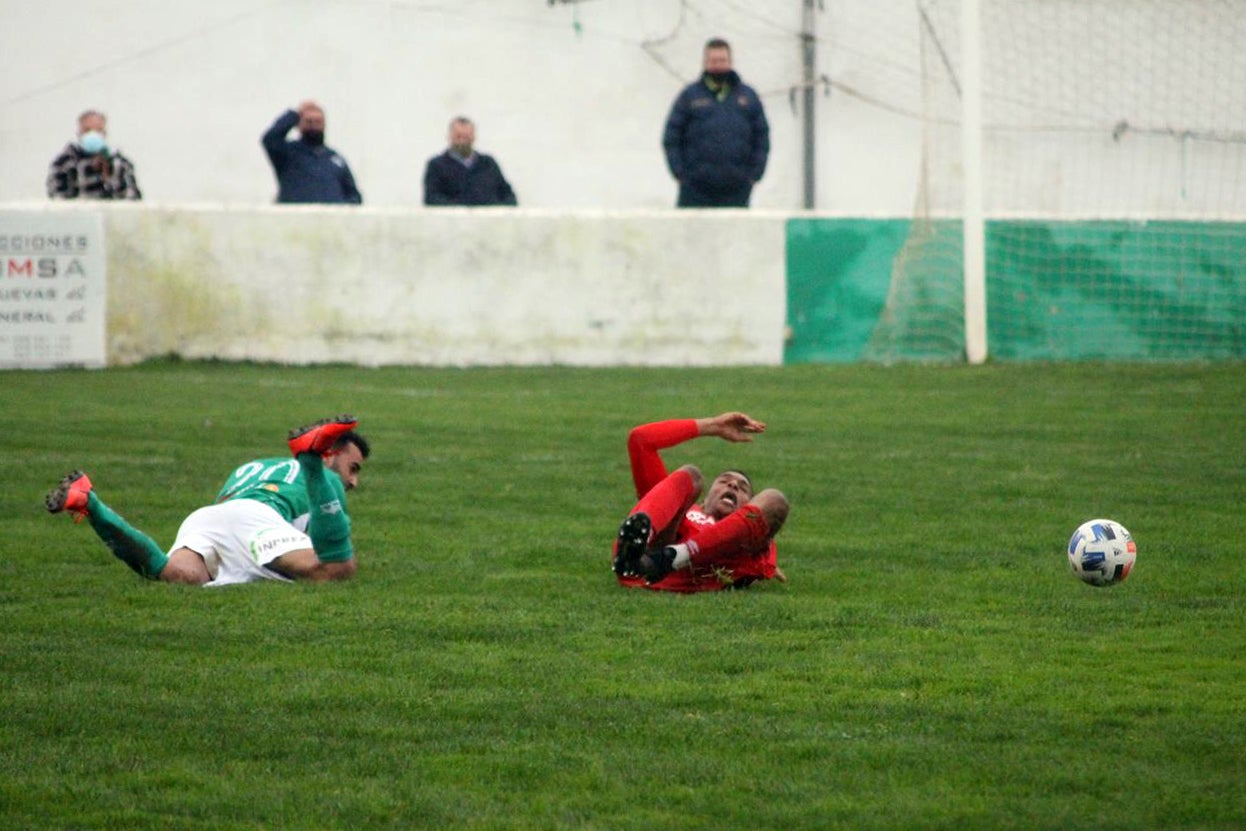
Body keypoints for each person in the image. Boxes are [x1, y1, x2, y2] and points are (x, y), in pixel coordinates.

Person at [44, 415, 370, 587]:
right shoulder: (326, 480)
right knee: (338, 567)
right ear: (331, 453)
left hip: (208, 517)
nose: (352, 481)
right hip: (258, 520)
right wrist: (314, 467)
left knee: (177, 576)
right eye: (352, 468)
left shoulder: (256, 466)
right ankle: (309, 454)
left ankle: (89, 502)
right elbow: (327, 551)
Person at [612, 412, 789, 593]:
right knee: (692, 475)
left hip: (693, 571)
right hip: (641, 565)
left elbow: (766, 518)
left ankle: (674, 556)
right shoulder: (682, 512)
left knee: (775, 498)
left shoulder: (749, 538)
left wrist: (768, 562)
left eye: (743, 488)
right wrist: (712, 425)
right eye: (723, 481)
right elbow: (640, 439)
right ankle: (634, 549)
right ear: (704, 502)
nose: (733, 484)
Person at [661, 38, 770, 208]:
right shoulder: (689, 96)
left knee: (735, 235)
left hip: (737, 190)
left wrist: (754, 175)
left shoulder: (748, 97)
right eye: (713, 61)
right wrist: (680, 175)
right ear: (705, 63)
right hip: (695, 191)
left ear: (730, 62)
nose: (718, 65)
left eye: (722, 61)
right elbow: (671, 137)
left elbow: (762, 137)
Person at [262, 101, 362, 204]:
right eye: (309, 122)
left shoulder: (335, 159)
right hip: (297, 218)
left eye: (318, 122)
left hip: (330, 219)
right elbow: (270, 139)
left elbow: (354, 195)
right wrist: (294, 114)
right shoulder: (288, 153)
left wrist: (342, 207)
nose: (314, 126)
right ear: (299, 125)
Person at [46, 110, 142, 200]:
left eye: (98, 130)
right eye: (87, 130)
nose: (93, 134)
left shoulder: (120, 163)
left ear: (104, 133)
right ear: (79, 133)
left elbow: (132, 198)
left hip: (110, 216)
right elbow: (56, 197)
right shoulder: (64, 163)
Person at [423, 117, 518, 206]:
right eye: (458, 136)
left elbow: (508, 196)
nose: (462, 141)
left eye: (466, 136)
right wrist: (462, 210)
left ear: (473, 137)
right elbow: (432, 198)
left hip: (488, 222)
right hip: (454, 222)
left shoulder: (488, 163)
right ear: (449, 137)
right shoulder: (437, 165)